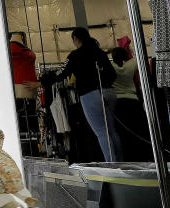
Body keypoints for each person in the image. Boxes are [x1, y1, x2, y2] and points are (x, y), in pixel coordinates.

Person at [27, 27, 122, 162]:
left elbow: (61, 73)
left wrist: (41, 83)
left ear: (75, 39)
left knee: (101, 132)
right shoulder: (100, 52)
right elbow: (112, 74)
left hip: (90, 94)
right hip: (110, 92)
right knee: (112, 130)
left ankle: (113, 165)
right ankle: (122, 161)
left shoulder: (74, 56)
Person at [110, 46, 153, 160]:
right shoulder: (130, 65)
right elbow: (136, 58)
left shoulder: (111, 67)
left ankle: (129, 157)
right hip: (133, 101)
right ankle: (143, 155)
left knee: (124, 133)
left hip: (118, 103)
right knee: (139, 129)